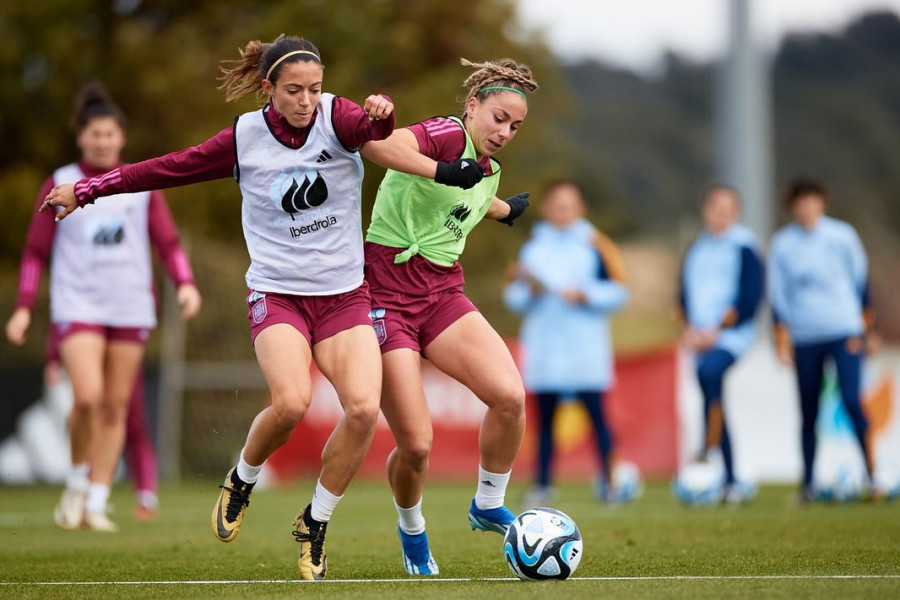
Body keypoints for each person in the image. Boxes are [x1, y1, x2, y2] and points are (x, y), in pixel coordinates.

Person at [42, 35, 477, 580]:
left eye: (314, 89)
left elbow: (373, 133)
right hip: (278, 293)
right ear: (268, 89)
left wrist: (381, 115)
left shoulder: (337, 117)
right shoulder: (244, 138)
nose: (306, 101)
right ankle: (243, 478)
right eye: (294, 90)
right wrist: (87, 189)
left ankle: (315, 522)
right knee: (291, 403)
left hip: (344, 296)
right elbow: (165, 168)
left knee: (364, 410)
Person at [358, 57, 537, 576]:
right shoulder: (443, 134)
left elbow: (473, 198)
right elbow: (376, 147)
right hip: (386, 293)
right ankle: (412, 531)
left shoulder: (488, 170)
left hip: (442, 293)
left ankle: (487, 502)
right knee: (416, 445)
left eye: (515, 126)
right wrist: (444, 168)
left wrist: (506, 210)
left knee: (509, 397)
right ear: (472, 105)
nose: (504, 132)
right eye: (498, 118)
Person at [5, 82, 201, 532]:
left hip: (131, 305)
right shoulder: (59, 183)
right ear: (81, 137)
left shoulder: (138, 185)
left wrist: (185, 283)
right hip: (79, 304)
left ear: (122, 138)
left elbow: (167, 242)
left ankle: (96, 498)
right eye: (94, 134)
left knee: (115, 405)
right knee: (88, 398)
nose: (102, 141)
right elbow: (36, 252)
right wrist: (23, 307)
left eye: (110, 134)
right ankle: (76, 482)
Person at [503, 180, 629, 507]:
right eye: (557, 206)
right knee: (544, 426)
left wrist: (587, 295)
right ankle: (542, 484)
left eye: (569, 206)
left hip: (584, 350)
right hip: (545, 350)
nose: (563, 212)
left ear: (580, 209)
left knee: (598, 420)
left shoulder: (595, 246)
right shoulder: (532, 249)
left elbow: (618, 292)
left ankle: (610, 482)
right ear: (546, 209)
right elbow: (513, 296)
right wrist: (528, 291)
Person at [768, 177, 877, 503]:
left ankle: (873, 477)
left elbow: (861, 283)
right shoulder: (782, 243)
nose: (806, 208)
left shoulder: (842, 235)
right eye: (799, 202)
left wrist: (868, 330)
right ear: (792, 207)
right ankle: (808, 485)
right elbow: (778, 295)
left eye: (811, 200)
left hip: (844, 329)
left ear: (822, 203)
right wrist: (781, 340)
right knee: (808, 410)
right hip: (805, 335)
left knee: (851, 399)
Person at [678, 184, 764, 504]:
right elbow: (682, 296)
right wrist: (689, 329)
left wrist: (716, 330)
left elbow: (751, 296)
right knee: (712, 392)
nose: (720, 215)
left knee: (711, 376)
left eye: (727, 209)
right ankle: (727, 478)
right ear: (705, 210)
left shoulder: (744, 247)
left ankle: (708, 449)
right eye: (715, 207)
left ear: (736, 213)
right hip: (699, 338)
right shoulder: (697, 248)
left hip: (730, 337)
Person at [45, 326, 161, 520]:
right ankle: (82, 489)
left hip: (122, 354)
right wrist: (54, 358)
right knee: (87, 415)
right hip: (91, 355)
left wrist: (183, 292)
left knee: (131, 424)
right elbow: (65, 313)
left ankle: (142, 496)